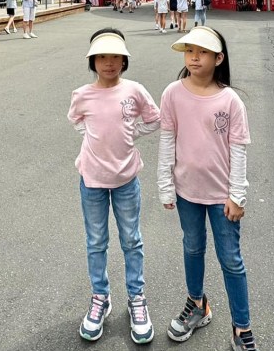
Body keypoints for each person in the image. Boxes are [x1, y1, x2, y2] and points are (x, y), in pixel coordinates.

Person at [158, 26, 258, 350]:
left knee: (231, 260)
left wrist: (237, 195)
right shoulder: (172, 94)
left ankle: (242, 327)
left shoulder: (230, 100)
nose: (194, 57)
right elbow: (167, 141)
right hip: (186, 191)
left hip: (222, 197)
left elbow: (239, 150)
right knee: (192, 248)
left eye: (202, 52)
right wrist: (164, 185)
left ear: (219, 58)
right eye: (190, 51)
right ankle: (197, 304)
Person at [69, 28, 161, 343]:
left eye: (115, 57)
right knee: (96, 242)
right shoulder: (82, 94)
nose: (109, 63)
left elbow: (154, 118)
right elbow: (76, 120)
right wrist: (93, 139)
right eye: (102, 57)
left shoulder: (134, 90)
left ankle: (137, 298)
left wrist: (131, 132)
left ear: (124, 61)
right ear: (93, 61)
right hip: (92, 180)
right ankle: (101, 297)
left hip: (126, 180)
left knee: (132, 240)